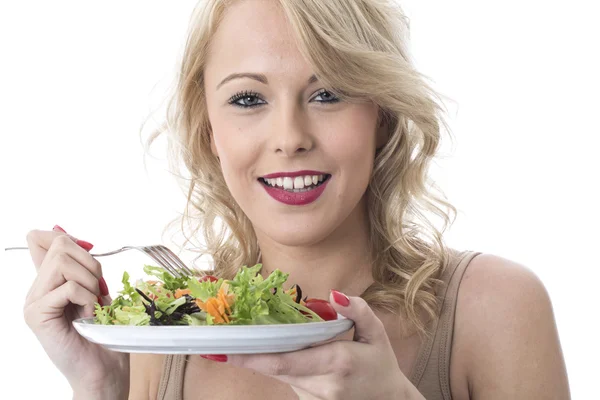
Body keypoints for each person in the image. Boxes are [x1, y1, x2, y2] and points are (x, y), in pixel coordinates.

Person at [22, 0, 570, 399]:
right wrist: (99, 386)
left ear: (381, 114)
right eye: (247, 98)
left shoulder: (495, 309)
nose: (290, 136)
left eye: (328, 92)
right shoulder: (166, 335)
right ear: (210, 128)